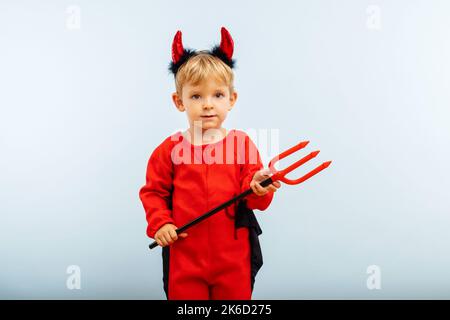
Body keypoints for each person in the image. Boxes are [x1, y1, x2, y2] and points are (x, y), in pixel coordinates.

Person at [139, 27, 281, 300]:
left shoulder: (242, 145)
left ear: (232, 99)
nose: (207, 105)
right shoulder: (168, 150)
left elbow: (255, 198)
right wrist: (161, 224)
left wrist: (260, 186)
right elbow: (153, 193)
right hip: (185, 258)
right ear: (179, 102)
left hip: (233, 259)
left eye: (217, 95)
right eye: (196, 96)